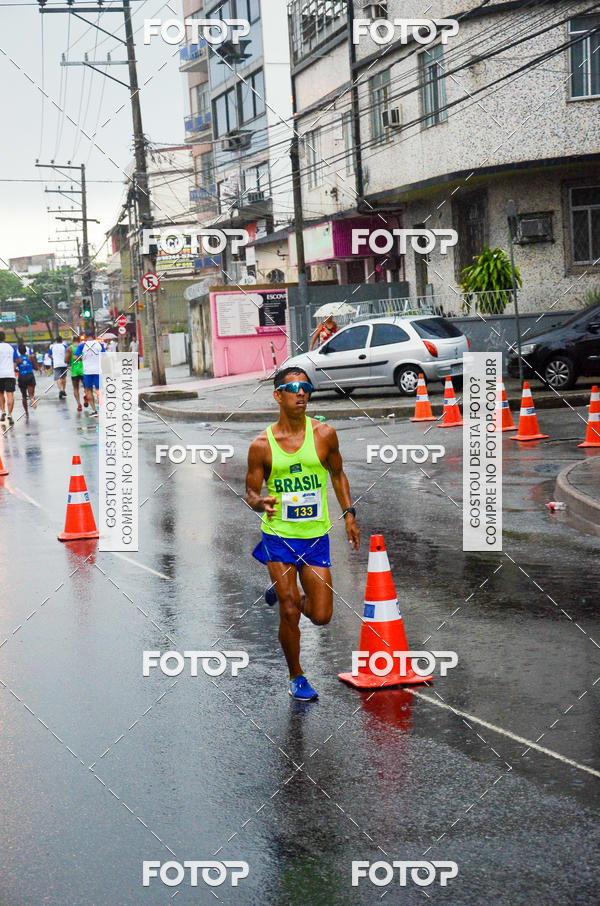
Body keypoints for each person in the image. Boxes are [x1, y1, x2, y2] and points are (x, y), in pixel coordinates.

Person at [245, 366, 360, 701]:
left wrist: (349, 514)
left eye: (306, 387)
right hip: (278, 536)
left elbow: (337, 474)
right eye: (293, 387)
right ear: (277, 395)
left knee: (322, 616)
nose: (301, 393)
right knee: (291, 608)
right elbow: (250, 492)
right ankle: (297, 676)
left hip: (314, 537)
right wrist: (259, 502)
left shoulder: (324, 435)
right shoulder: (262, 445)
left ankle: (281, 593)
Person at [65, 335, 105, 417]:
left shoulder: (82, 345)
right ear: (94, 337)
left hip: (87, 371)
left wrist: (83, 358)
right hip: (98, 370)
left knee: (89, 390)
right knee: (99, 390)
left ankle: (94, 410)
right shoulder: (100, 345)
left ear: (86, 338)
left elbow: (75, 357)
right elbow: (105, 357)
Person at [0, 330, 18, 427]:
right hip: (10, 374)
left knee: (0, 394)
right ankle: (10, 414)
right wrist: (13, 368)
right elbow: (17, 360)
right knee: (10, 394)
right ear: (4, 338)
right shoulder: (11, 347)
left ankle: (3, 411)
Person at [15, 343, 37, 416]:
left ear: (19, 351)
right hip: (30, 375)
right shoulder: (30, 357)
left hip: (22, 377)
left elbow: (14, 368)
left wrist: (18, 370)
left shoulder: (18, 359)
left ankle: (26, 413)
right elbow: (36, 368)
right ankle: (32, 399)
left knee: (24, 396)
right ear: (26, 351)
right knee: (31, 394)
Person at [68, 335, 86, 411]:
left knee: (76, 388)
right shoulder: (83, 346)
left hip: (74, 371)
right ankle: (86, 397)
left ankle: (79, 405)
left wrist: (69, 360)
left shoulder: (69, 348)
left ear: (72, 340)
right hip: (83, 369)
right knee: (86, 387)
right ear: (79, 340)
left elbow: (66, 359)